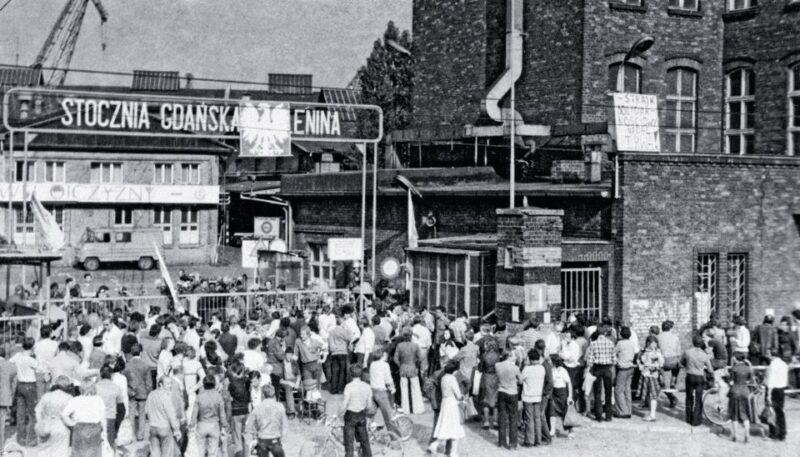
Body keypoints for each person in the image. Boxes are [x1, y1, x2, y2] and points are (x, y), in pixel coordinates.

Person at [62, 381, 107, 457]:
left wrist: (71, 423)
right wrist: (104, 433)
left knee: (79, 453)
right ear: (94, 388)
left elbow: (64, 414)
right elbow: (103, 418)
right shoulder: (99, 400)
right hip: (95, 429)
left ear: (80, 389)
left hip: (80, 428)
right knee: (94, 453)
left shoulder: (75, 400)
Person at [10, 336, 41, 446]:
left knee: (20, 413)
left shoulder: (18, 356)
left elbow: (10, 362)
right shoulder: (31, 360)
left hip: (20, 384)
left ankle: (20, 439)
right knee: (32, 413)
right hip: (30, 385)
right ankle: (31, 439)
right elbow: (39, 367)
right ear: (32, 346)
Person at [429, 361, 464, 457]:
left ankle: (434, 444)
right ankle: (453, 452)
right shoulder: (452, 379)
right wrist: (462, 397)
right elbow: (458, 394)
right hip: (452, 403)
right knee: (455, 427)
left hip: (445, 402)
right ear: (454, 370)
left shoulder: (444, 377)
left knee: (445, 425)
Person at [34, 375, 74, 456]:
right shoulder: (69, 397)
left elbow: (37, 410)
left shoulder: (47, 396)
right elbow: (72, 415)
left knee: (44, 452)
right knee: (60, 452)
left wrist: (40, 422)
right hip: (61, 426)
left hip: (46, 424)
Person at [245, 384, 288, 457]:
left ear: (263, 395)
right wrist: (283, 440)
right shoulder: (280, 407)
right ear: (274, 394)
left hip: (262, 440)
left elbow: (249, 426)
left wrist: (251, 441)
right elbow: (284, 426)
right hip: (275, 439)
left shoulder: (258, 408)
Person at [369, 347, 402, 437]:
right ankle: (395, 437)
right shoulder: (385, 365)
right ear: (382, 355)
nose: (387, 356)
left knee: (370, 413)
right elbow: (388, 379)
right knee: (389, 416)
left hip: (373, 391)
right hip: (381, 392)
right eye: (385, 354)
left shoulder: (372, 364)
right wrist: (393, 388)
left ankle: (369, 431)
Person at [681, 335, 713, 426]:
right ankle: (696, 420)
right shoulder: (704, 355)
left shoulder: (687, 352)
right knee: (698, 398)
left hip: (690, 375)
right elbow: (710, 369)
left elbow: (682, 362)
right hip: (699, 377)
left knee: (689, 397)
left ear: (693, 342)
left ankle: (688, 418)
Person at [145, 377, 182, 457]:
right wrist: (176, 429)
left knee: (155, 454)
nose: (170, 385)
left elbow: (146, 410)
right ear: (161, 384)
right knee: (167, 453)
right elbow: (171, 415)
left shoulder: (151, 394)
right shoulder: (166, 396)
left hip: (152, 427)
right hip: (164, 428)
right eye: (168, 384)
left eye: (171, 383)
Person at [191, 375, 227, 457]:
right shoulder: (218, 397)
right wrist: (225, 425)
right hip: (214, 425)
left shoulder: (199, 397)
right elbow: (222, 415)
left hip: (201, 424)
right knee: (213, 452)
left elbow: (194, 414)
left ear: (204, 384)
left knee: (200, 451)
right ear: (214, 384)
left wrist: (192, 425)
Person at [341, 364, 373, 457]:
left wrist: (338, 414)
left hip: (350, 415)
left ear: (350, 374)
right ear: (361, 374)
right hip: (361, 415)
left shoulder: (348, 387)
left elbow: (344, 404)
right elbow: (369, 405)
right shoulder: (367, 386)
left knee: (349, 443)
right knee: (365, 442)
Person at [123, 343, 152, 442]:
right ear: (141, 352)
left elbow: (125, 380)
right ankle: (140, 435)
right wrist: (148, 392)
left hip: (131, 392)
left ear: (131, 353)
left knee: (131, 414)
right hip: (143, 392)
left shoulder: (127, 365)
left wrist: (128, 390)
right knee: (142, 414)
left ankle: (131, 435)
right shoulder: (145, 365)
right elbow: (149, 382)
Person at [586, 327, 615, 422]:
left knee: (597, 392)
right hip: (607, 368)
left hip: (597, 368)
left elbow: (590, 360)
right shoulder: (610, 343)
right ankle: (608, 415)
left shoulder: (593, 344)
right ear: (605, 333)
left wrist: (588, 369)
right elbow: (614, 359)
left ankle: (598, 416)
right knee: (608, 392)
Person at [394, 327, 425, 414]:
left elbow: (395, 359)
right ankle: (417, 409)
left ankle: (405, 409)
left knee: (404, 389)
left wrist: (400, 365)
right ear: (411, 336)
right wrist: (416, 365)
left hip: (403, 368)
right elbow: (421, 357)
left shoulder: (399, 346)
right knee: (415, 388)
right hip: (412, 367)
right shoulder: (415, 345)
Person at [95, 365, 126, 447]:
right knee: (109, 444)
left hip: (96, 418)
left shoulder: (95, 387)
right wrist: (117, 425)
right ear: (112, 375)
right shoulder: (116, 388)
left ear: (100, 374)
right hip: (110, 417)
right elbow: (121, 408)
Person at [494, 351, 520, 449]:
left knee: (502, 417)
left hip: (501, 391)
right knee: (513, 418)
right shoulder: (515, 368)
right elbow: (521, 380)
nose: (516, 357)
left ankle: (502, 441)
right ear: (509, 356)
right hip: (512, 392)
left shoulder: (497, 365)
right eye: (514, 355)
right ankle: (512, 443)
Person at [520, 349, 546, 447]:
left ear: (530, 359)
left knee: (529, 419)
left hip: (528, 396)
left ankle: (529, 441)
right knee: (537, 419)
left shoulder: (527, 369)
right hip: (538, 396)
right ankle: (538, 440)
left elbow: (520, 380)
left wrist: (523, 365)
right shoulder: (542, 368)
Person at [728, 352, 754, 442]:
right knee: (745, 414)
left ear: (736, 358)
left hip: (735, 391)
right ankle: (747, 435)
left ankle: (734, 436)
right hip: (745, 391)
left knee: (734, 415)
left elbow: (731, 382)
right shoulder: (748, 368)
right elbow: (749, 381)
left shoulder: (734, 368)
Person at [638, 336, 663, 422]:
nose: (653, 345)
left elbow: (660, 364)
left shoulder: (655, 353)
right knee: (650, 395)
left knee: (652, 395)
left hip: (651, 375)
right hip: (649, 375)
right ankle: (651, 413)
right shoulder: (648, 352)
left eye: (654, 343)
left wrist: (647, 365)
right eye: (652, 343)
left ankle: (652, 415)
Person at [765, 353, 789, 441]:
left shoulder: (772, 365)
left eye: (769, 355)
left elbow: (771, 380)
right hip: (781, 389)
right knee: (780, 412)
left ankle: (773, 433)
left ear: (773, 356)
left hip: (774, 390)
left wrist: (768, 394)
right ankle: (782, 433)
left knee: (772, 412)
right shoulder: (784, 364)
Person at [657, 320, 681, 408]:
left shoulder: (658, 337)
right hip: (674, 361)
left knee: (661, 382)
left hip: (664, 361)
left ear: (662, 328)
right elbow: (679, 352)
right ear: (670, 328)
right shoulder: (675, 337)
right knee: (677, 365)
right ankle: (674, 379)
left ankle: (671, 397)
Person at [549, 355, 573, 438]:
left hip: (562, 393)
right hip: (554, 392)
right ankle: (552, 430)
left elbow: (569, 383)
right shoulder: (551, 370)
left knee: (565, 413)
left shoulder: (563, 371)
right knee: (552, 411)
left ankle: (570, 431)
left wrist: (570, 396)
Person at [613, 327, 636, 419]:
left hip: (622, 368)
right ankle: (629, 410)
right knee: (627, 389)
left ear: (621, 334)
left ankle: (622, 411)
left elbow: (613, 352)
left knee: (618, 390)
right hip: (630, 367)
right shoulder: (632, 343)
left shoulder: (620, 343)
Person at [0, 347, 16, 450]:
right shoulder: (11, 366)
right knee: (1, 424)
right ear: (5, 354)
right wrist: (11, 396)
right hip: (4, 397)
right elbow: (14, 384)